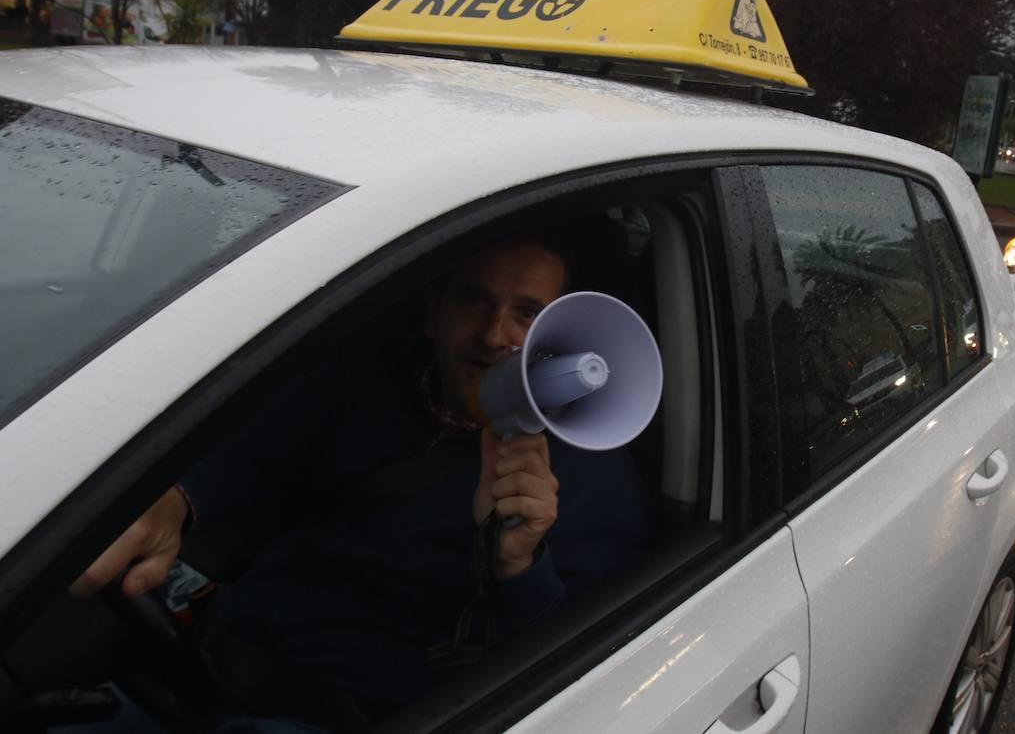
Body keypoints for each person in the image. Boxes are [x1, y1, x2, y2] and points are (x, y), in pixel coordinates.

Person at [73, 234, 652, 729]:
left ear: (561, 341)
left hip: (343, 716)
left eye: (528, 312)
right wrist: (176, 501)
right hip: (215, 662)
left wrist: (520, 565)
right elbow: (253, 450)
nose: (495, 334)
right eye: (474, 300)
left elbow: (570, 677)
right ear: (433, 311)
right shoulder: (366, 382)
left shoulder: (597, 490)